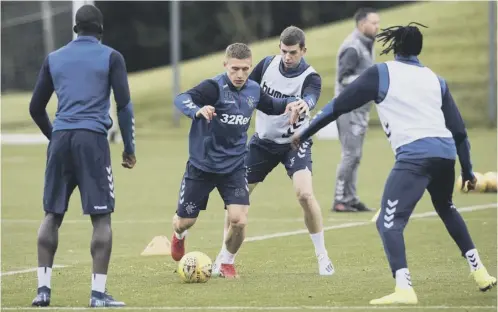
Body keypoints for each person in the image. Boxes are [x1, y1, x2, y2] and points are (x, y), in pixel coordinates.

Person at [291, 23, 496, 305]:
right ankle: (480, 271)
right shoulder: (436, 79)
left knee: (388, 224)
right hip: (444, 154)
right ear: (418, 49)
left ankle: (404, 288)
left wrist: (304, 132)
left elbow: (340, 105)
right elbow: (459, 131)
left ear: (394, 47)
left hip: (415, 157)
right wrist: (468, 170)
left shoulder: (382, 72)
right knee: (446, 207)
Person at [29, 4, 136, 307]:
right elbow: (124, 106)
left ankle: (43, 291)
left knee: (52, 214)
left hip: (61, 139)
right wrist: (129, 148)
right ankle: (98, 295)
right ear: (100, 30)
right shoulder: (111, 57)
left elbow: (35, 107)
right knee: (101, 217)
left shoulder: (54, 58)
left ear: (75, 29)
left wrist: (55, 137)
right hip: (92, 140)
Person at [170, 42, 306, 279]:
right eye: (234, 69)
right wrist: (197, 111)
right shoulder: (213, 87)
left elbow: (271, 105)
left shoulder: (253, 89)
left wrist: (290, 103)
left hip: (234, 166)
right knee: (185, 221)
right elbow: (182, 98)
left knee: (239, 221)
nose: (240, 74)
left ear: (250, 67)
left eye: (245, 69)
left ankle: (227, 262)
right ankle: (179, 235)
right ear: (225, 66)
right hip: (202, 166)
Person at [213, 26, 334, 277]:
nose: (287, 57)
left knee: (304, 194)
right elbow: (245, 88)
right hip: (262, 144)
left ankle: (323, 257)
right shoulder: (267, 64)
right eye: (284, 51)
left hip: (295, 143)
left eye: (293, 52)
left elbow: (311, 97)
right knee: (236, 200)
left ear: (303, 50)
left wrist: (304, 104)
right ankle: (224, 259)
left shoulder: (311, 77)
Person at [332, 7, 380, 212]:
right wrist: (369, 82)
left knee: (355, 155)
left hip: (359, 110)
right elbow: (343, 78)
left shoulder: (365, 44)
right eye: (374, 23)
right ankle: (340, 199)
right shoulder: (353, 47)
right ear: (362, 25)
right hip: (348, 109)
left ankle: (350, 198)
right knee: (350, 154)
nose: (378, 27)